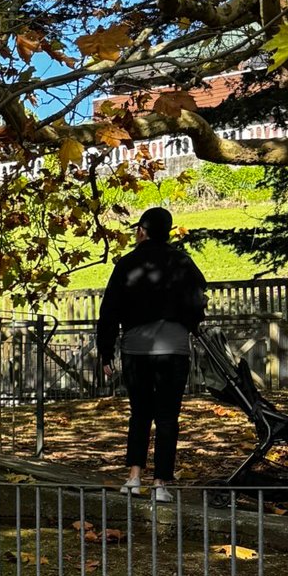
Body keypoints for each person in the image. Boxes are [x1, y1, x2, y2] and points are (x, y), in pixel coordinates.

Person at [96, 206, 208, 502]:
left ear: (141, 231)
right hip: (174, 348)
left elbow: (109, 310)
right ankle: (160, 483)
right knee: (168, 416)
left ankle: (133, 477)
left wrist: (105, 351)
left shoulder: (127, 264)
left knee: (140, 413)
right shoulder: (183, 262)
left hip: (136, 348)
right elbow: (198, 299)